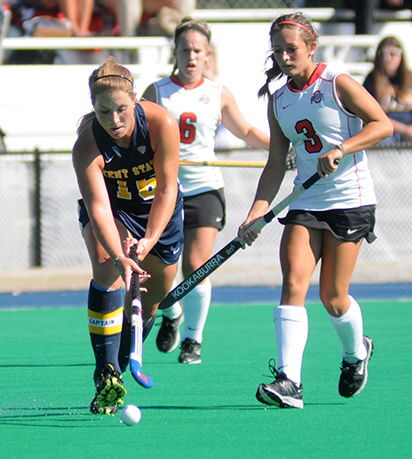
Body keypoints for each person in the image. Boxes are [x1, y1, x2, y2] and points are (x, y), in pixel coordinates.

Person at [238, 13, 393, 409]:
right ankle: (290, 381)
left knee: (333, 297)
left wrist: (342, 149)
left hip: (350, 200)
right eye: (278, 51)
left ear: (311, 47)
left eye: (292, 49)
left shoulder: (337, 84)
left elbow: (382, 125)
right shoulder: (279, 99)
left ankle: (356, 352)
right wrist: (257, 210)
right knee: (293, 285)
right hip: (305, 203)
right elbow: (276, 162)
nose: (286, 57)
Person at [141, 18, 269, 364]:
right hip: (163, 191)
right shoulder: (156, 92)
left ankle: (193, 341)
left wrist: (280, 149)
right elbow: (138, 135)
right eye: (185, 50)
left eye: (198, 50)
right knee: (160, 268)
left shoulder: (217, 93)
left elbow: (245, 131)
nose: (191, 56)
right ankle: (171, 314)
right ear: (176, 52)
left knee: (196, 265)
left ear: (208, 54)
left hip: (204, 190)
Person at [72, 57, 184, 414]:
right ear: (93, 108)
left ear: (134, 98)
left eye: (121, 109)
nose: (114, 120)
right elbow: (99, 208)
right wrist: (121, 255)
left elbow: (167, 189)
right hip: (114, 210)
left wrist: (149, 239)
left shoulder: (160, 122)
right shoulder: (87, 145)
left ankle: (120, 362)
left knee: (153, 297)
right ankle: (106, 373)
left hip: (158, 210)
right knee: (107, 266)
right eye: (104, 112)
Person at [363, 36, 412, 142]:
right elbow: (369, 115)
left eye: (393, 54)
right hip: (386, 130)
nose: (387, 58)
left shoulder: (410, 78)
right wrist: (404, 130)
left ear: (401, 55)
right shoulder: (371, 80)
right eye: (383, 54)